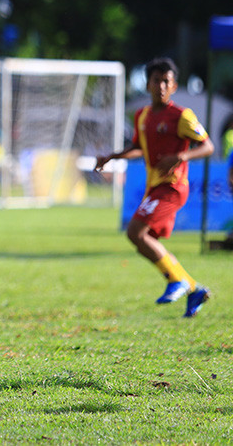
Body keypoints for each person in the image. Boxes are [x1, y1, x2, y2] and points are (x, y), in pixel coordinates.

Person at [95, 57, 214, 318]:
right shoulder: (143, 115)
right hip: (154, 188)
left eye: (166, 81)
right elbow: (139, 146)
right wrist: (113, 156)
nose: (160, 85)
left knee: (136, 231)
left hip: (172, 188)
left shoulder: (182, 116)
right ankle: (193, 288)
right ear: (147, 84)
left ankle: (177, 281)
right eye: (156, 80)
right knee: (143, 241)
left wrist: (181, 157)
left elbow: (208, 146)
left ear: (173, 86)